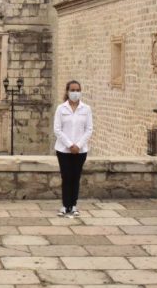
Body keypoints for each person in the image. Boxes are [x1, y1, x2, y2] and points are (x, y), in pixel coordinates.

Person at [53, 80, 93, 217]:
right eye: (72, 90)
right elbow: (57, 129)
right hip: (63, 150)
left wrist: (78, 145)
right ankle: (65, 205)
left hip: (80, 151)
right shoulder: (61, 108)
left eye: (77, 90)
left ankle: (73, 205)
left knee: (76, 177)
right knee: (66, 177)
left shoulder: (86, 109)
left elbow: (89, 129)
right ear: (67, 91)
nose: (75, 93)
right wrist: (70, 145)